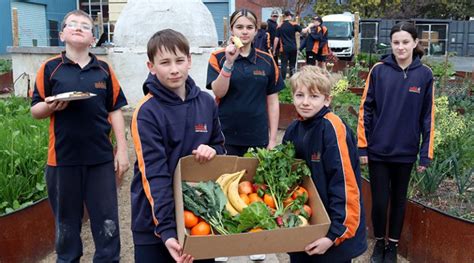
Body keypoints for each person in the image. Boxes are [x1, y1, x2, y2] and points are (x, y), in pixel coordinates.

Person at [31, 10, 129, 262]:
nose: (78, 28)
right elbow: (35, 110)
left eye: (85, 26)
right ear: (61, 34)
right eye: (71, 24)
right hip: (62, 160)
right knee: (66, 225)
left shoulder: (104, 70)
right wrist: (50, 105)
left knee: (107, 222)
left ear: (93, 38)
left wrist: (122, 150)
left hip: (100, 159)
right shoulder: (50, 68)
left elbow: (115, 109)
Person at [130, 29, 226, 263]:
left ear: (189, 61)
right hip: (154, 224)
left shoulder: (206, 102)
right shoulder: (146, 112)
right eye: (165, 62)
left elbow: (221, 148)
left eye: (180, 60)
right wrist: (167, 230)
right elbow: (155, 174)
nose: (174, 69)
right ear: (151, 66)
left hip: (199, 217)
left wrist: (213, 151)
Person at [357, 21, 435, 263]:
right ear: (391, 44)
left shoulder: (425, 75)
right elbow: (365, 110)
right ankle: (379, 243)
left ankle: (393, 246)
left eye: (405, 42)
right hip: (379, 151)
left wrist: (425, 153)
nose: (400, 47)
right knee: (380, 202)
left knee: (399, 202)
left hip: (406, 153)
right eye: (396, 42)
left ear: (414, 43)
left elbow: (428, 117)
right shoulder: (379, 70)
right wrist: (363, 146)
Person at [283, 66, 367, 263]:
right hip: (305, 225)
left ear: (327, 99)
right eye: (299, 95)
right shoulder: (294, 129)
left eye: (313, 96)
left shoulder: (332, 128)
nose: (305, 102)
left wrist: (333, 236)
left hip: (332, 235)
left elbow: (345, 185)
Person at [207, 8, 284, 156]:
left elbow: (273, 102)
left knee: (254, 180)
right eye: (239, 27)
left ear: (256, 31)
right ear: (231, 30)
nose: (244, 32)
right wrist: (229, 63)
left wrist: (273, 139)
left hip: (257, 137)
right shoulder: (218, 57)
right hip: (225, 135)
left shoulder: (267, 60)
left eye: (249, 27)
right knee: (227, 178)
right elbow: (218, 92)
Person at [273, 10, 302, 80]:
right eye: (291, 16)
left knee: (284, 65)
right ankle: (292, 80)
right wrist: (309, 27)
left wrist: (274, 50)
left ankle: (283, 80)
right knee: (292, 65)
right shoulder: (294, 24)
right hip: (293, 47)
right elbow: (303, 31)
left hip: (284, 48)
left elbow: (276, 39)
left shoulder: (279, 26)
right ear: (289, 16)